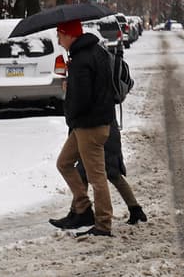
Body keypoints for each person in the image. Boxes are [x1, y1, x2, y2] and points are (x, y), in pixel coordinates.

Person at [48, 19, 115, 237]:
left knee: (97, 177)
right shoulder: (96, 52)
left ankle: (103, 224)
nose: (59, 40)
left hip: (90, 125)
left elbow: (82, 98)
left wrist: (69, 91)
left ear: (69, 35)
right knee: (64, 163)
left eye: (60, 35)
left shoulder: (81, 60)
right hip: (90, 123)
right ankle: (83, 209)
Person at [74, 114, 148, 225]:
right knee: (109, 174)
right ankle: (135, 209)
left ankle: (80, 212)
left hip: (100, 131)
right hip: (102, 130)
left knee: (88, 173)